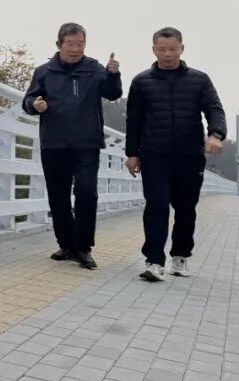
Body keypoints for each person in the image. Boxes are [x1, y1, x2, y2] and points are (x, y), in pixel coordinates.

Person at [124, 27, 226, 282]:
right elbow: (133, 120)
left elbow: (214, 109)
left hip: (189, 156)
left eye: (172, 49)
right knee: (156, 207)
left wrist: (216, 134)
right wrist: (132, 154)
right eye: (162, 49)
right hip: (154, 155)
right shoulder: (141, 81)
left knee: (185, 209)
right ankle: (154, 261)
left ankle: (180, 257)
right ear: (153, 50)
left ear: (182, 48)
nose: (167, 54)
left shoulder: (199, 80)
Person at [23, 23, 122, 269]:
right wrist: (35, 105)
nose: (76, 49)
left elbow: (112, 93)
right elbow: (28, 99)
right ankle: (66, 245)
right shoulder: (44, 71)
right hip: (54, 143)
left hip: (87, 143)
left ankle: (83, 247)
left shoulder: (94, 68)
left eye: (80, 44)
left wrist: (113, 74)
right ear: (59, 44)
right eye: (70, 44)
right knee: (58, 196)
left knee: (87, 192)